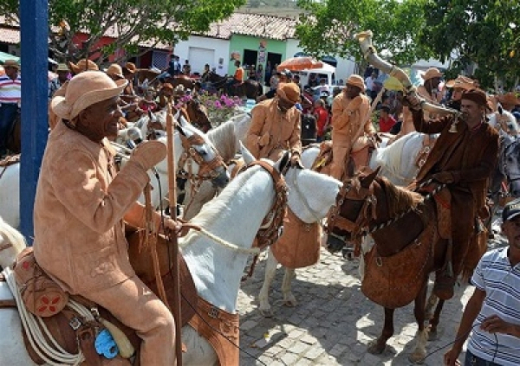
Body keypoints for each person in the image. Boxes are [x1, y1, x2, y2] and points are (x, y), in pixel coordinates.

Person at [35, 71, 177, 365]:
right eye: (110, 107)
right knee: (161, 324)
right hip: (80, 264)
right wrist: (137, 168)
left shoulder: (92, 139)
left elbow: (115, 202)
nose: (120, 114)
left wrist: (156, 222)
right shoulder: (69, 154)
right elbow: (101, 216)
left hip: (96, 252)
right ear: (85, 116)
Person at [405, 88, 499, 300]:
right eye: (462, 106)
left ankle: (449, 271)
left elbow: (485, 169)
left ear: (482, 110)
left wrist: (455, 177)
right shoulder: (453, 121)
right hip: (435, 177)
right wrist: (416, 108)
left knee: (463, 221)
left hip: (465, 189)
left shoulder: (490, 136)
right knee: (406, 200)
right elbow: (423, 126)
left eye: (469, 107)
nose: (463, 110)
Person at [444, 197, 520, 366]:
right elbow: (475, 303)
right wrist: (457, 347)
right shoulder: (489, 259)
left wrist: (510, 328)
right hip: (476, 353)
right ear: (503, 229)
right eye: (516, 224)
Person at [330, 74, 375, 180]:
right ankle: (333, 186)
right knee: (339, 166)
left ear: (360, 90)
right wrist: (349, 109)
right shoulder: (338, 100)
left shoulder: (365, 101)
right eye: (348, 86)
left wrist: (372, 132)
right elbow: (336, 125)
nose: (349, 89)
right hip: (341, 140)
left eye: (353, 88)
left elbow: (367, 122)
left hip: (359, 139)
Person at [246, 82, 302, 164]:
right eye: (286, 102)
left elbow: (296, 140)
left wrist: (296, 153)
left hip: (280, 158)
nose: (288, 106)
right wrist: (261, 140)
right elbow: (250, 137)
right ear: (279, 96)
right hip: (257, 157)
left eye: (291, 104)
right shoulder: (263, 108)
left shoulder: (296, 114)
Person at [0, 59, 21, 157]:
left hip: (20, 106)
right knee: (3, 125)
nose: (6, 70)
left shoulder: (21, 80)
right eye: (6, 68)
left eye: (9, 68)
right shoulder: (1, 79)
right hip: (6, 107)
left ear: (15, 69)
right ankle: (2, 149)